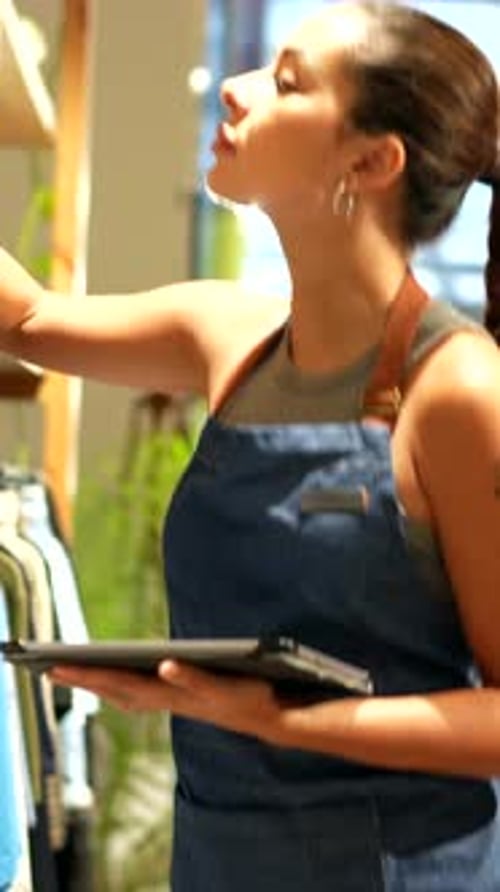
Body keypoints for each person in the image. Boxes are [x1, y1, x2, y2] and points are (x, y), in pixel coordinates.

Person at [1, 1, 500, 889]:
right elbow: (28, 318)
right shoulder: (226, 332)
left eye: (285, 82)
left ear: (371, 160)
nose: (234, 91)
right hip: (221, 861)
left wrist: (283, 722)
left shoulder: (458, 389)